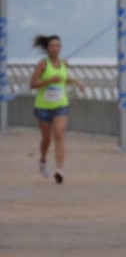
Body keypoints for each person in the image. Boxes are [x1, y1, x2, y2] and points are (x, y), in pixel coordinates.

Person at [30, 35, 84, 184]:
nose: (55, 48)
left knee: (59, 134)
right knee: (46, 139)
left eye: (58, 46)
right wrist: (48, 81)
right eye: (52, 46)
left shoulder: (64, 63)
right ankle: (43, 160)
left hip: (61, 104)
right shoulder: (42, 64)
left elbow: (63, 80)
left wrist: (76, 82)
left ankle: (59, 170)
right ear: (47, 49)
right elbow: (32, 84)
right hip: (43, 106)